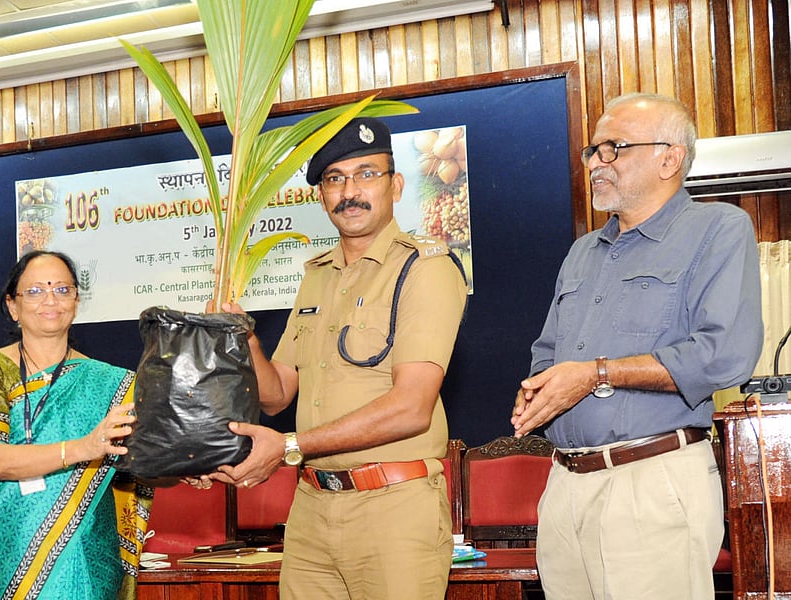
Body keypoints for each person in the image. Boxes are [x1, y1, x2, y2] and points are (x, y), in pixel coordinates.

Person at [200, 117, 468, 599]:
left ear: (396, 185)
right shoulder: (317, 276)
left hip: (394, 509)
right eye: (335, 179)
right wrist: (244, 340)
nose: (350, 191)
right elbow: (277, 394)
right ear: (321, 196)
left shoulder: (426, 269)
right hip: (312, 508)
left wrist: (288, 447)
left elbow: (412, 407)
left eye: (366, 174)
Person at [511, 93, 763, 600]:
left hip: (652, 482)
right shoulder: (583, 251)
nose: (595, 164)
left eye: (614, 148)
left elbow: (724, 354)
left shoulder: (718, 229)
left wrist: (596, 374)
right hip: (564, 485)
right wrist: (539, 389)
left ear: (670, 158)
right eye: (593, 151)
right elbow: (549, 349)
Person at [0, 250, 151, 600]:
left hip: (86, 552)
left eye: (62, 290)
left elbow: (139, 467)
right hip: (7, 550)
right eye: (35, 291)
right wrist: (84, 447)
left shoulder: (110, 384)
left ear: (76, 302)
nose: (51, 300)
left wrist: (186, 465)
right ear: (13, 306)